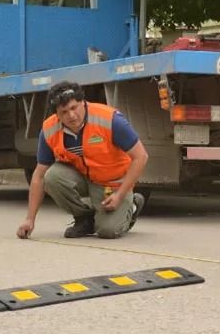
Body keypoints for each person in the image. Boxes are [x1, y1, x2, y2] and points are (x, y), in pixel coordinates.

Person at [17, 81, 148, 240]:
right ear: (56, 114)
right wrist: (29, 220)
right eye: (64, 112)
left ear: (83, 103)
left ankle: (132, 205)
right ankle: (84, 219)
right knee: (51, 177)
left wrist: (120, 195)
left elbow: (141, 156)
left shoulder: (109, 119)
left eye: (74, 108)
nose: (71, 116)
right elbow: (38, 176)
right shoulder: (49, 130)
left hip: (112, 183)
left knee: (108, 231)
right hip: (83, 177)